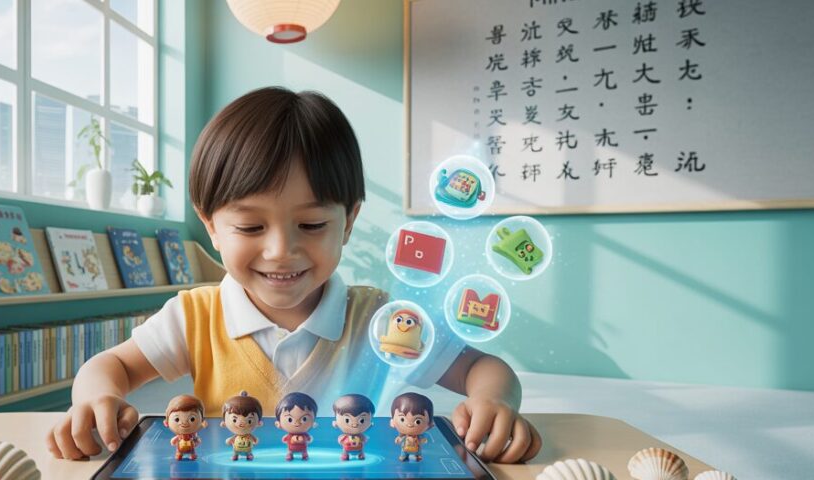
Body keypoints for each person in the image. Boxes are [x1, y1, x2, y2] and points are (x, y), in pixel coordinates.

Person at [46, 86, 541, 464]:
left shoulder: (382, 321)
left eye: (312, 225)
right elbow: (111, 365)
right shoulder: (195, 316)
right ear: (211, 225)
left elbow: (483, 368)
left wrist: (493, 401)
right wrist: (96, 398)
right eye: (250, 226)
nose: (281, 251)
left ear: (349, 221)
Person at [221, 391, 262, 461]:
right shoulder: (236, 436)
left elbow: (255, 440)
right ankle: (235, 455)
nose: (241, 424)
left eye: (249, 421)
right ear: (224, 423)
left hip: (248, 449)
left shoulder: (249, 436)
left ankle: (249, 455)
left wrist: (255, 440)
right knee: (235, 451)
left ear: (259, 423)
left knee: (248, 452)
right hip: (236, 449)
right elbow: (229, 441)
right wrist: (229, 440)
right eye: (234, 420)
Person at [332, 393, 374, 461]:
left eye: (362, 420)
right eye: (347, 420)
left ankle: (361, 455)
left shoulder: (361, 436)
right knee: (345, 451)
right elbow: (340, 441)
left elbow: (364, 440)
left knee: (361, 451)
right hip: (347, 448)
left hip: (359, 448)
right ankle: (345, 455)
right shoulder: (344, 437)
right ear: (335, 422)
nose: (354, 425)